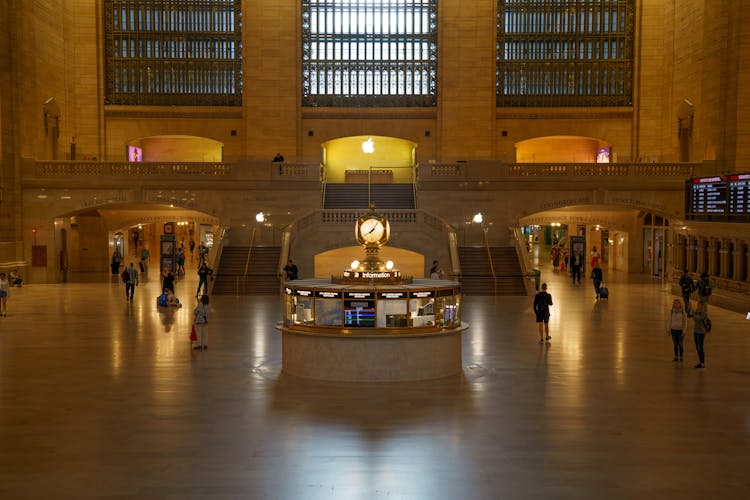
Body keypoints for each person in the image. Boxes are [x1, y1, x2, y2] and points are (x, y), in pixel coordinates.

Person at [692, 301, 711, 368]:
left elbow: (697, 318)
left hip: (701, 332)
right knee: (697, 347)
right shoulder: (697, 312)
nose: (699, 307)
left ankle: (702, 363)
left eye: (700, 306)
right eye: (698, 305)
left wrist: (694, 314)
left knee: (700, 348)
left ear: (703, 307)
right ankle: (700, 362)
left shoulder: (704, 313)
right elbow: (694, 318)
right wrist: (695, 314)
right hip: (695, 331)